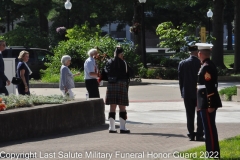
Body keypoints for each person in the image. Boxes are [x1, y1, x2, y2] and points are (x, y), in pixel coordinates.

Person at [196, 43, 222, 159]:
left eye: (198, 53)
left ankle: (212, 153)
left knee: (209, 129)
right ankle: (211, 152)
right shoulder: (206, 65)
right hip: (204, 102)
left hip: (207, 103)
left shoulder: (206, 67)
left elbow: (210, 87)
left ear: (200, 54)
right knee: (209, 128)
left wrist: (211, 104)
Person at [178, 44, 204, 141]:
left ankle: (191, 133)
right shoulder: (200, 63)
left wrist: (182, 92)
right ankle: (200, 133)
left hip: (187, 93)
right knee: (200, 113)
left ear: (190, 52)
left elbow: (180, 80)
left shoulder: (182, 63)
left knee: (189, 114)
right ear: (197, 52)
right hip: (198, 93)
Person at [104, 46, 133, 134]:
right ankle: (123, 128)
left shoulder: (109, 62)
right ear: (121, 54)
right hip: (121, 84)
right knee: (122, 107)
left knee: (112, 107)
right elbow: (129, 74)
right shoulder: (124, 63)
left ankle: (112, 128)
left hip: (111, 85)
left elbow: (105, 74)